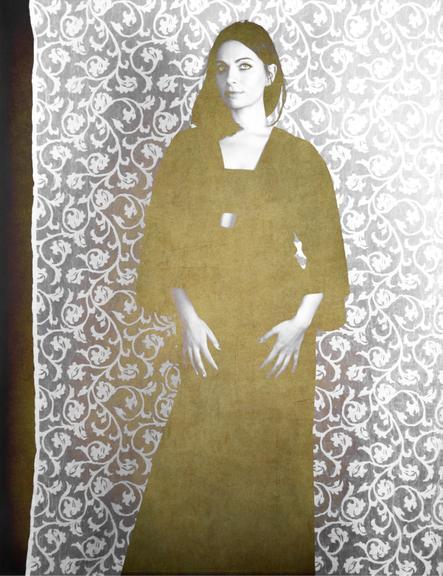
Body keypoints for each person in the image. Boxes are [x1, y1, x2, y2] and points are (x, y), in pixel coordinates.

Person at [123, 20, 350, 575]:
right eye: (221, 68)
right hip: (211, 332)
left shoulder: (300, 158)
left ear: (270, 74)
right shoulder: (188, 152)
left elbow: (327, 258)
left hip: (278, 338)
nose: (232, 79)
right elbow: (164, 249)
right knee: (193, 473)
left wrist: (299, 325)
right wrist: (189, 320)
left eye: (245, 66)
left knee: (271, 478)